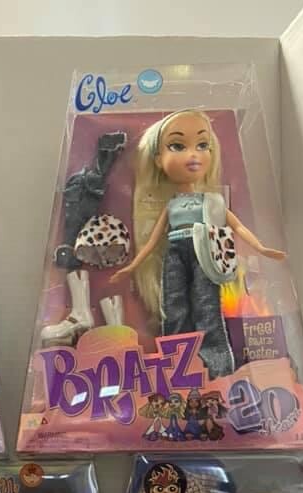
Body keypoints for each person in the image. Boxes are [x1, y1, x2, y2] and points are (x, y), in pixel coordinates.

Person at [111, 110, 284, 379]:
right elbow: (153, 240)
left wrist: (261, 248)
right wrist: (132, 266)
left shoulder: (212, 202)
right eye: (177, 146)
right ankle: (177, 366)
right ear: (158, 160)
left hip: (204, 252)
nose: (193, 154)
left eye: (203, 145)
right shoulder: (171, 205)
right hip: (175, 253)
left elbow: (237, 226)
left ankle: (218, 370)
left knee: (207, 307)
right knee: (174, 307)